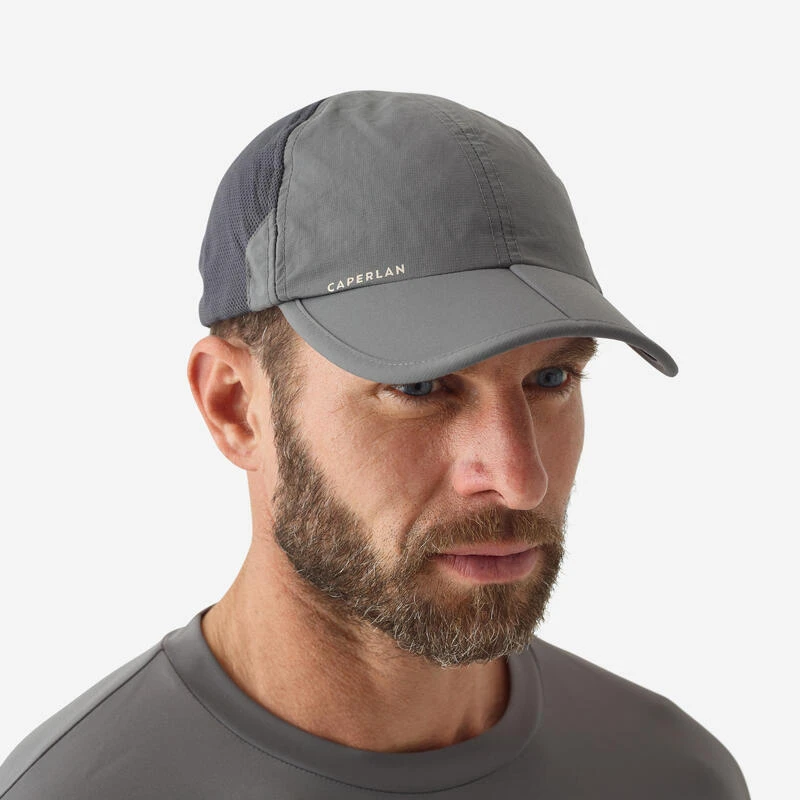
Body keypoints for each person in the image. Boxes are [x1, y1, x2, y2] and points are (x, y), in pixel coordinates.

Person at [0, 90, 750, 799]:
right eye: (419, 386)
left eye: (551, 377)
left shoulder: (669, 775)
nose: (520, 478)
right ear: (235, 407)